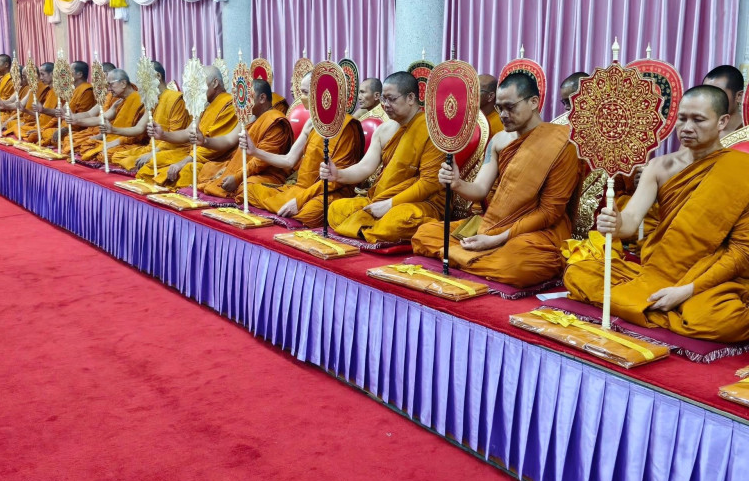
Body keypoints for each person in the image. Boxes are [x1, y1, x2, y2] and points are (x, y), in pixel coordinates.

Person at [565, 86, 749, 342]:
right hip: (658, 269)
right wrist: (616, 222)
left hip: (707, 275)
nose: (687, 127)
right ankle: (665, 308)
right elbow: (630, 222)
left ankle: (658, 304)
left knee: (719, 319)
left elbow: (741, 252)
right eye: (682, 118)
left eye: (698, 120)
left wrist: (688, 290)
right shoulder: (660, 166)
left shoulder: (742, 170)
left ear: (722, 121)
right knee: (578, 273)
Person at [411, 72, 583, 286]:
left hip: (538, 230)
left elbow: (549, 212)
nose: (503, 115)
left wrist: (495, 239)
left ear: (533, 102)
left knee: (518, 265)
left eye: (510, 107)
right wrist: (457, 183)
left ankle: (460, 255)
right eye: (499, 108)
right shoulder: (499, 140)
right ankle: (470, 255)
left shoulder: (562, 144)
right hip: (495, 222)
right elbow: (480, 189)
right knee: (425, 234)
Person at [321, 71, 444, 243]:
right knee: (336, 209)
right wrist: (339, 174)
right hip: (380, 199)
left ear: (410, 98)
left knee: (396, 221)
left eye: (391, 99)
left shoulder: (432, 131)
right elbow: (365, 167)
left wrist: (390, 204)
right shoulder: (384, 130)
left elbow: (429, 183)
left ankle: (365, 227)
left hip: (421, 203)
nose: (385, 105)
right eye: (383, 99)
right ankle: (369, 229)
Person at [242, 72, 364, 226]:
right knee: (248, 190)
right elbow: (289, 160)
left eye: (305, 93)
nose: (301, 98)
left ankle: (291, 208)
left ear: (322, 94)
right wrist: (255, 151)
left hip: (328, 191)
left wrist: (300, 200)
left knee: (310, 213)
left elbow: (336, 181)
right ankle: (289, 207)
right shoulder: (311, 123)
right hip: (301, 188)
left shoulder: (346, 127)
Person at [140, 65, 238, 187]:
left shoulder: (229, 105)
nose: (197, 90)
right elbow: (188, 132)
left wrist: (183, 162)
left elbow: (213, 149)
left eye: (200, 84)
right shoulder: (205, 105)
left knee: (185, 172)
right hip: (194, 154)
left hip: (213, 160)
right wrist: (163, 135)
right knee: (153, 163)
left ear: (215, 83)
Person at [197, 79, 293, 198]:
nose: (242, 103)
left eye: (247, 98)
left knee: (247, 188)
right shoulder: (251, 118)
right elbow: (231, 143)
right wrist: (205, 141)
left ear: (262, 98)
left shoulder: (275, 123)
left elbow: (261, 162)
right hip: (245, 168)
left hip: (266, 173)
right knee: (208, 169)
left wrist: (237, 177)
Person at [111, 61, 189, 171]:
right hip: (152, 147)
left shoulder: (176, 99)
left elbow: (176, 135)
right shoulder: (153, 100)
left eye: (145, 78)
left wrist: (153, 153)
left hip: (171, 148)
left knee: (141, 162)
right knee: (117, 156)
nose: (143, 84)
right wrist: (113, 130)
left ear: (158, 76)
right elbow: (139, 128)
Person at [70, 69, 145, 162]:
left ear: (123, 83)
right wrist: (76, 120)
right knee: (86, 145)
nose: (109, 89)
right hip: (112, 136)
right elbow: (101, 118)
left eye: (111, 84)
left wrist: (117, 140)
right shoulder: (120, 101)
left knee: (106, 154)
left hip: (127, 141)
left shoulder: (140, 100)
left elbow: (140, 132)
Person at [39, 61, 96, 145]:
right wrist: (44, 127)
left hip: (76, 129)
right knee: (44, 133)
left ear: (79, 74)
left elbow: (84, 117)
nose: (66, 74)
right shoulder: (72, 90)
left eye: (69, 71)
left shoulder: (87, 91)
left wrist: (66, 129)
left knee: (61, 139)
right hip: (65, 126)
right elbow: (61, 113)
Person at [703, 65, 744, 136]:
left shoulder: (746, 131)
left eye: (717, 94)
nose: (710, 100)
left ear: (739, 96)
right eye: (706, 94)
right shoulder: (701, 129)